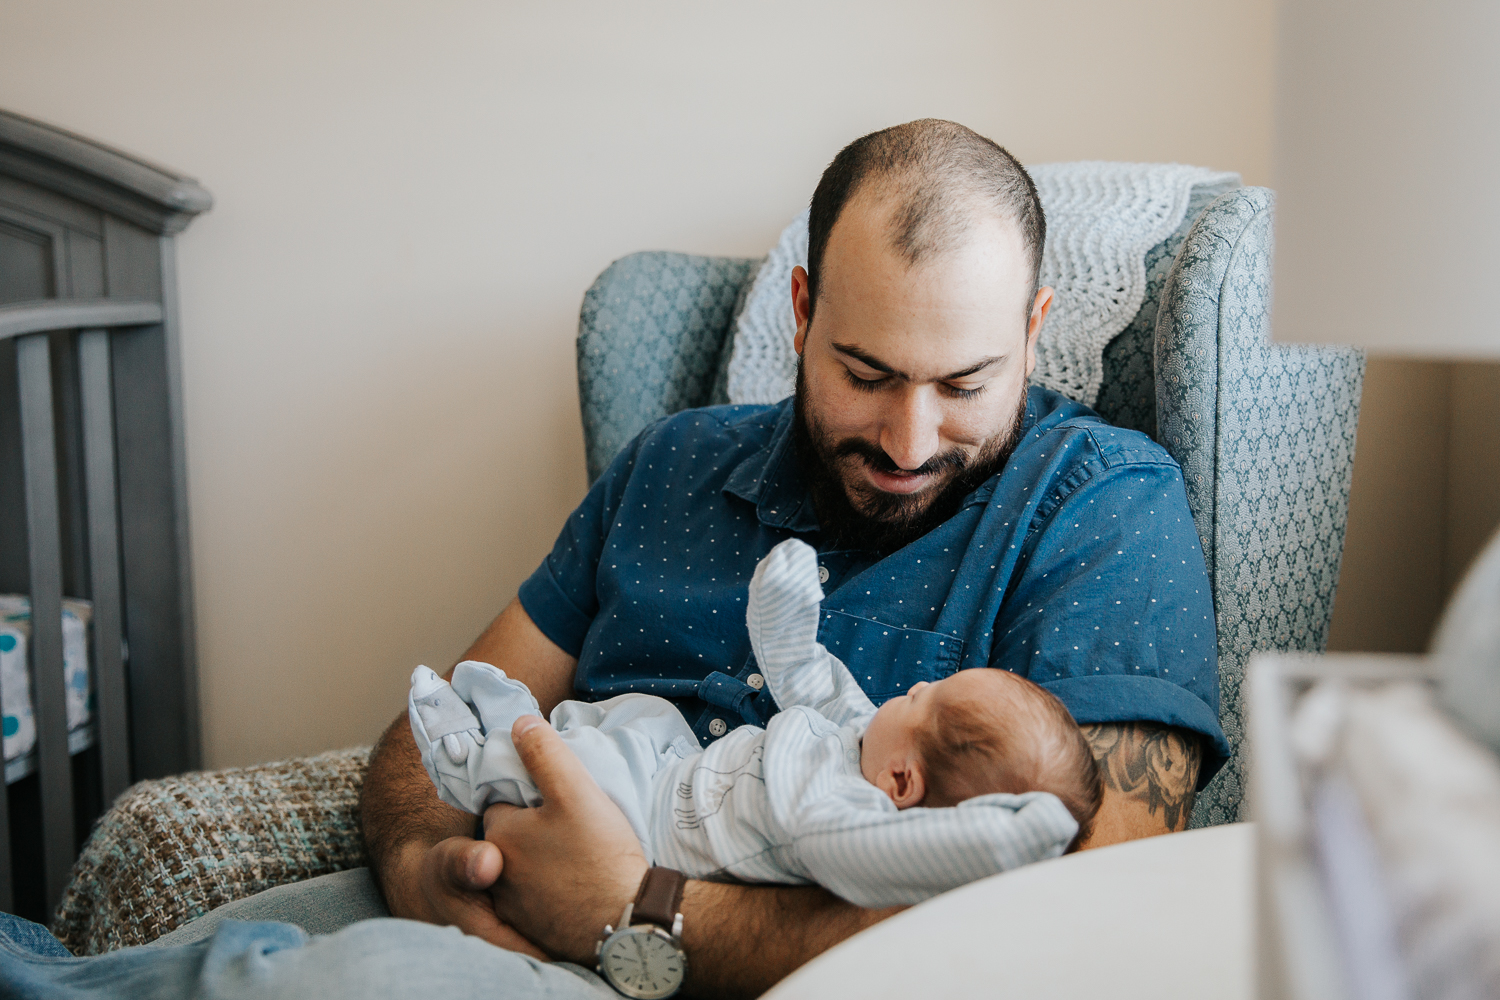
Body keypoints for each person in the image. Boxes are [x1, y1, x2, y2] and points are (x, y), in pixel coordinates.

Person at [357, 118, 1228, 997]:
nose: (908, 445)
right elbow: (445, 716)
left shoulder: (1101, 506)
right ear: (803, 313)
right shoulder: (670, 464)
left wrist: (634, 907)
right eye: (866, 375)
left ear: (1033, 330)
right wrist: (422, 870)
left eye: (965, 385)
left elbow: (1087, 919)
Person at [409, 539, 1102, 909]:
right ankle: (527, 730)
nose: (917, 685)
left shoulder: (838, 825)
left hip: (647, 828)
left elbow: (916, 854)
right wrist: (784, 598)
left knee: (594, 769)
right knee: (641, 716)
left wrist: (1026, 830)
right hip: (681, 770)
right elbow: (801, 671)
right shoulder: (863, 735)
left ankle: (470, 763)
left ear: (901, 780)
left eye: (928, 698)